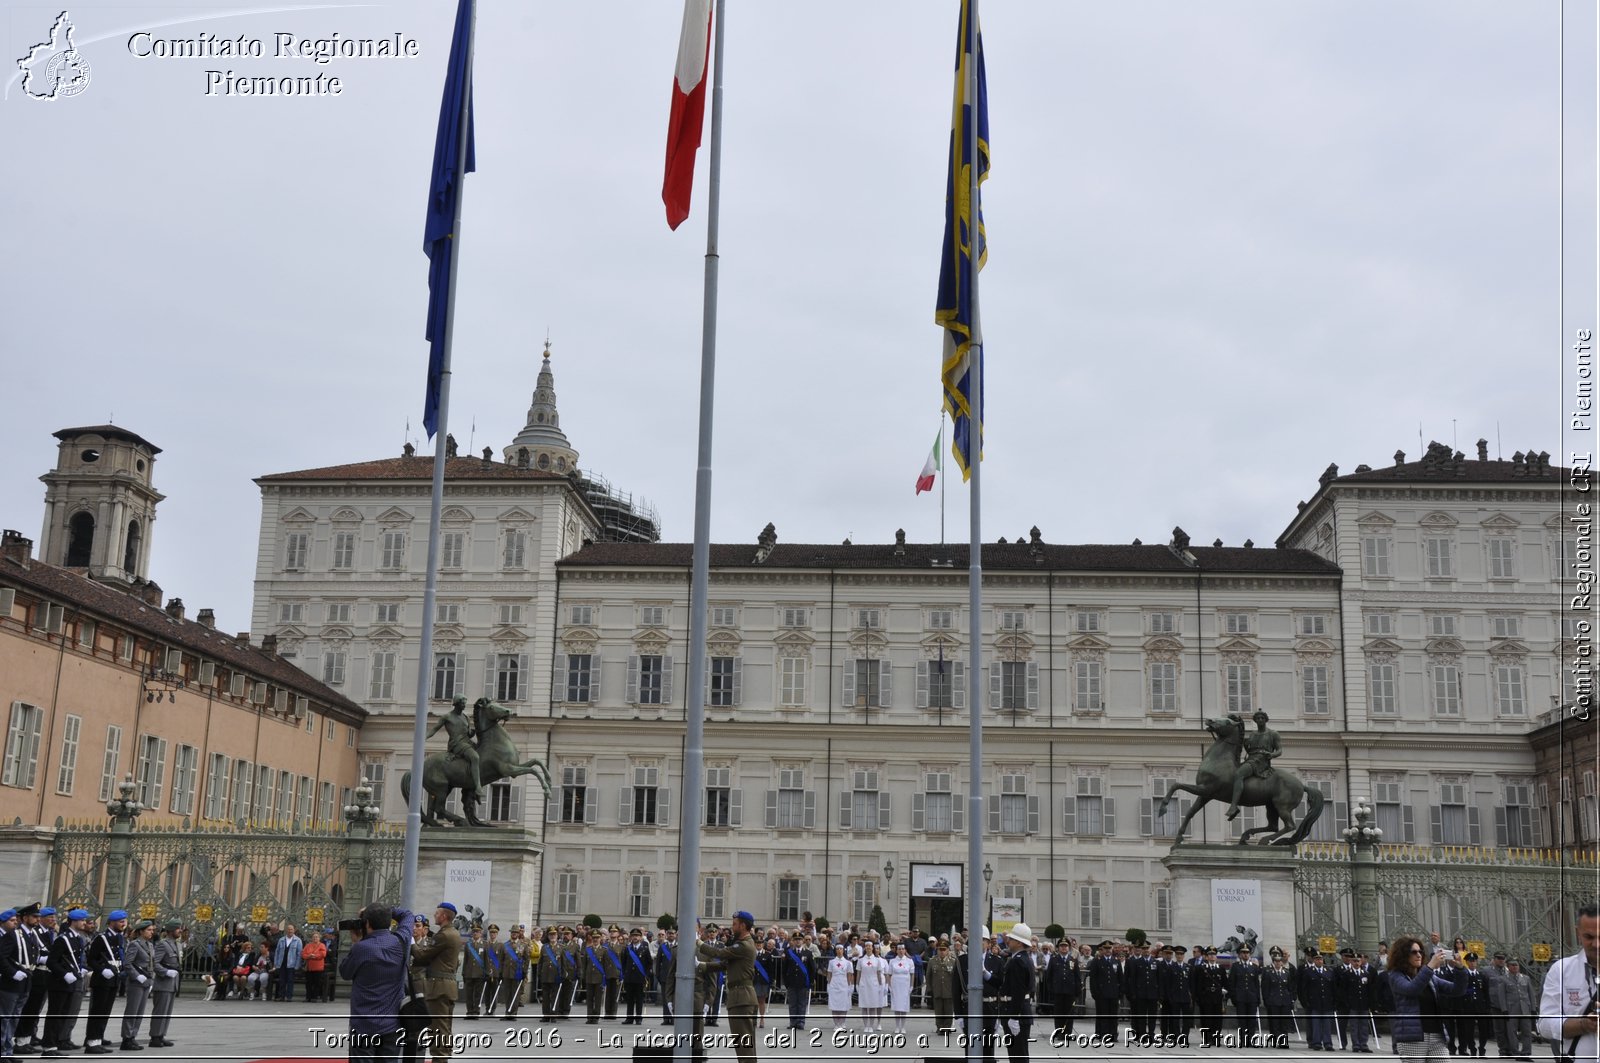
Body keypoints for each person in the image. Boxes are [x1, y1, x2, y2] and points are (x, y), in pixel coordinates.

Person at [339, 903, 414, 1061]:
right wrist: (386, 911)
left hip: (363, 1024)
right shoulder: (401, 941)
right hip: (392, 1023)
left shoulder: (362, 948)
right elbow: (407, 914)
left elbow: (345, 972)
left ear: (366, 924)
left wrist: (356, 942)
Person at [1386, 935, 1468, 1062]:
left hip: (1437, 1036)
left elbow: (1457, 990)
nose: (1418, 955)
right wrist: (1430, 967)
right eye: (1413, 952)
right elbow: (1411, 989)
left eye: (1420, 951)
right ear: (1402, 955)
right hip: (1413, 1038)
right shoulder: (1396, 976)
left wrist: (1460, 968)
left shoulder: (1428, 977)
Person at [1538, 904, 1600, 1063]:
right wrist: (1584, 1025)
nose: (1596, 945)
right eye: (1589, 937)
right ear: (1578, 932)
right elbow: (1544, 1024)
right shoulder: (1561, 970)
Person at [696, 910, 758, 1063]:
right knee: (745, 1046)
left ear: (743, 926)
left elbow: (720, 953)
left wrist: (698, 942)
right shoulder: (743, 944)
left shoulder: (744, 945)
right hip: (742, 997)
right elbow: (724, 965)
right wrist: (702, 965)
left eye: (735, 924)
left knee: (744, 1046)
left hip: (741, 998)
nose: (732, 927)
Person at [409, 902, 462, 1062]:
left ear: (444, 916)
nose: (434, 916)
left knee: (438, 1031)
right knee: (444, 1029)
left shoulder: (443, 935)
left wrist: (411, 941)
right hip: (446, 987)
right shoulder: (452, 933)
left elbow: (422, 957)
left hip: (439, 987)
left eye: (437, 913)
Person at [41, 908, 90, 1058]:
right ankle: (48, 1046)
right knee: (55, 1014)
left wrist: (80, 970)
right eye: (82, 920)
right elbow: (52, 961)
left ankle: (55, 1044)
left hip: (71, 982)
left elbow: (76, 960)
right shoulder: (63, 939)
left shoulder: (77, 938)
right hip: (59, 983)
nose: (84, 923)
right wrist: (64, 974)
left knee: (63, 1014)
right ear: (74, 921)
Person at [82, 907, 127, 1054]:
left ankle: (98, 1038)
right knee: (98, 1011)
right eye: (121, 921)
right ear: (112, 922)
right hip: (102, 979)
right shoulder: (102, 938)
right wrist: (102, 970)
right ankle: (91, 1042)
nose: (124, 924)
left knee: (105, 1011)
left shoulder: (119, 937)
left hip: (114, 979)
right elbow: (91, 959)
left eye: (124, 921)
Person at [1227, 709, 1282, 821]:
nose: (1260, 720)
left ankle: (1233, 806)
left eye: (1262, 718)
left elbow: (1280, 750)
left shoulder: (1273, 734)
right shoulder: (1252, 735)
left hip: (1261, 761)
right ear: (1255, 721)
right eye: (1258, 718)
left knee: (1239, 774)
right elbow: (1248, 749)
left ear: (1266, 720)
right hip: (1251, 758)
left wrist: (1271, 755)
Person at [426, 696, 483, 801]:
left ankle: (472, 787)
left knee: (483, 753)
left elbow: (468, 733)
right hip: (457, 744)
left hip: (467, 742)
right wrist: (424, 737)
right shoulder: (447, 717)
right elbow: (434, 729)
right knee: (475, 757)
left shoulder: (466, 717)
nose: (464, 705)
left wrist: (473, 732)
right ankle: (478, 787)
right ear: (456, 704)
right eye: (462, 703)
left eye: (465, 703)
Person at [999, 923, 1037, 1061]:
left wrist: (1014, 1017)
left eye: (1012, 939)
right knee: (1018, 1055)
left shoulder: (1018, 962)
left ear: (1020, 943)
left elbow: (1019, 991)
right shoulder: (1022, 959)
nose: (1008, 941)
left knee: (1018, 1056)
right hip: (1019, 1012)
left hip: (1016, 1013)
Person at [118, 919, 157, 1051]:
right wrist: (137, 976)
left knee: (140, 1011)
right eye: (149, 930)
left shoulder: (150, 945)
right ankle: (126, 1038)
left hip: (147, 981)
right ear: (141, 931)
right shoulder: (135, 944)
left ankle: (133, 1036)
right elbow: (127, 964)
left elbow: (152, 964)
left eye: (152, 930)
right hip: (136, 982)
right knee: (132, 1010)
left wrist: (151, 980)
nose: (151, 932)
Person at [147, 922, 182, 1048]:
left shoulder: (176, 944)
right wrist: (165, 972)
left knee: (167, 1012)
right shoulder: (163, 944)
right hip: (163, 982)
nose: (180, 931)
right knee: (160, 1011)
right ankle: (155, 1037)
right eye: (177, 928)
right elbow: (155, 963)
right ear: (171, 930)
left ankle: (161, 1035)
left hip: (172, 983)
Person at [1, 908, 28, 1062]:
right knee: (4, 1018)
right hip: (7, 983)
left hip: (19, 983)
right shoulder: (8, 936)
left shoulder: (18, 935)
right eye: (11, 920)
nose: (15, 922)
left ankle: (8, 1050)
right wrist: (12, 972)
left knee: (13, 1018)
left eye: (15, 920)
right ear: (3, 922)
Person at [1501, 959, 1536, 1060]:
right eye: (1512, 965)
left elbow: (1531, 994)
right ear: (1508, 967)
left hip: (1525, 1008)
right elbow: (1502, 995)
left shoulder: (1525, 978)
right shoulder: (1504, 979)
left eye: (1516, 965)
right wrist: (1504, 1009)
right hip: (1511, 1009)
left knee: (1527, 1032)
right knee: (1512, 1032)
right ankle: (1515, 1052)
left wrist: (1533, 1008)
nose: (1515, 967)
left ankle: (1526, 1053)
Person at [780, 931, 812, 1031]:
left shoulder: (808, 953)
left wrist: (810, 982)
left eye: (799, 939)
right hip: (792, 982)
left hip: (803, 982)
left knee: (802, 1003)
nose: (798, 941)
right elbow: (784, 969)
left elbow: (812, 969)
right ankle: (793, 1022)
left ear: (803, 941)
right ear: (793, 941)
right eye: (796, 940)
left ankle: (801, 1022)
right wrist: (786, 982)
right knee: (792, 1004)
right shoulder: (789, 953)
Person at [854, 940, 887, 1033]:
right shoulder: (860, 960)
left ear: (872, 948)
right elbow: (859, 973)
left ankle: (871, 1026)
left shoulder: (877, 960)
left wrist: (881, 986)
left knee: (872, 1005)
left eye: (870, 946)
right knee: (864, 1006)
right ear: (865, 948)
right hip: (864, 983)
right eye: (867, 946)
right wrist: (857, 984)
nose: (868, 947)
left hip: (874, 984)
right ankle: (865, 1025)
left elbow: (878, 973)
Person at [887, 941, 915, 1034]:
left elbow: (912, 974)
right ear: (896, 950)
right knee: (896, 1006)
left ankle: (903, 1026)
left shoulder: (909, 961)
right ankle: (897, 1026)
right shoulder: (892, 961)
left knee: (904, 1006)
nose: (901, 951)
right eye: (899, 949)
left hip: (905, 985)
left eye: (902, 949)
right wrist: (889, 986)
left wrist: (911, 985)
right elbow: (889, 974)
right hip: (895, 985)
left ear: (905, 950)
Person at [825, 943, 853, 1031]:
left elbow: (849, 975)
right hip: (834, 984)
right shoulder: (831, 962)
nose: (839, 951)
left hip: (844, 984)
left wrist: (850, 986)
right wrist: (828, 984)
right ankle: (836, 1024)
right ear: (835, 951)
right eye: (837, 949)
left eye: (841, 949)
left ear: (843, 950)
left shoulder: (848, 963)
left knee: (843, 1005)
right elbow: (829, 974)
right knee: (835, 1004)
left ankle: (842, 1022)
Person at [271, 925, 302, 1003]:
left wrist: (297, 965)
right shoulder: (281, 940)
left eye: (291, 929)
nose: (290, 931)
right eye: (288, 929)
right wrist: (276, 963)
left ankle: (289, 996)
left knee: (290, 981)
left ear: (294, 930)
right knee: (282, 981)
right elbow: (277, 952)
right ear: (286, 930)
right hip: (282, 963)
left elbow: (299, 953)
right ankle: (282, 996)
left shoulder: (297, 940)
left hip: (291, 964)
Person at [301, 930, 328, 1004]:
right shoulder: (308, 945)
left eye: (316, 937)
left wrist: (314, 956)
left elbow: (323, 954)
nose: (315, 938)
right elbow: (303, 954)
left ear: (319, 938)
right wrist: (309, 956)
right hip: (309, 967)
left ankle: (314, 997)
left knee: (316, 983)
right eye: (314, 937)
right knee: (308, 983)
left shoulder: (322, 945)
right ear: (311, 938)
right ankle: (308, 997)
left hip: (318, 967)